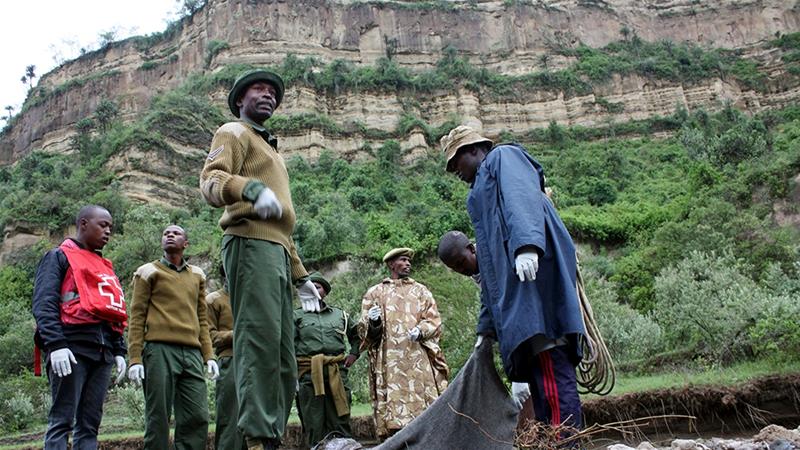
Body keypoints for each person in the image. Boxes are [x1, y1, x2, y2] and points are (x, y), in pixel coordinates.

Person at [199, 69, 321, 450]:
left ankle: (269, 435)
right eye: (259, 89)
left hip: (277, 252)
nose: (268, 95)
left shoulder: (273, 151)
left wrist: (301, 277)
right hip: (249, 244)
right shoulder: (233, 132)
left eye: (273, 91)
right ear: (240, 100)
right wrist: (250, 189)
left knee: (285, 355)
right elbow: (211, 181)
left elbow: (283, 225)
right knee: (260, 343)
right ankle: (256, 440)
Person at [440, 125, 586, 430]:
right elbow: (490, 275)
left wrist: (527, 245)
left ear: (474, 150)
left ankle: (566, 443)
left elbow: (522, 197)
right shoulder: (478, 196)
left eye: (456, 162)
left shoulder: (503, 157)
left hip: (537, 296)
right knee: (541, 384)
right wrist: (486, 329)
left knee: (553, 377)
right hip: (521, 305)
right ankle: (552, 443)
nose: (455, 170)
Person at [32, 205, 127, 450]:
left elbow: (111, 309)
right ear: (83, 224)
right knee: (61, 421)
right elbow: (44, 304)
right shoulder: (58, 257)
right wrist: (56, 345)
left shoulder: (104, 266)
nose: (108, 232)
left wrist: (119, 350)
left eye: (110, 228)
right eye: (102, 225)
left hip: (102, 352)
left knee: (90, 425)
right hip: (70, 349)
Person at [127, 225, 219, 450]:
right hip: (159, 350)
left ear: (185, 244)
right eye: (166, 233)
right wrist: (135, 358)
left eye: (176, 233)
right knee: (158, 416)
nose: (170, 235)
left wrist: (209, 356)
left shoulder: (197, 274)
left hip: (191, 352)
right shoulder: (147, 271)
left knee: (197, 415)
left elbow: (202, 317)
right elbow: (137, 316)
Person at [358, 248, 449, 440]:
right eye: (403, 260)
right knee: (394, 403)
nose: (408, 263)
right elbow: (364, 332)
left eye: (409, 260)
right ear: (391, 264)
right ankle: (395, 437)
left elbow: (434, 320)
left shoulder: (421, 291)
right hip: (389, 360)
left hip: (417, 357)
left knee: (422, 400)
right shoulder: (376, 292)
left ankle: (426, 437)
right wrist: (373, 324)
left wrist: (421, 330)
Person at [294, 272, 360, 449]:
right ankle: (317, 446)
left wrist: (354, 353)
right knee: (312, 416)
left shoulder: (340, 315)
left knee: (340, 412)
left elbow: (357, 335)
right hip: (308, 372)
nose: (314, 289)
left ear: (325, 292)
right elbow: (286, 345)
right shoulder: (296, 316)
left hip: (336, 371)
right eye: (311, 287)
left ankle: (345, 445)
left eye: (318, 286)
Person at [207, 265, 245, 450]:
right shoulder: (214, 300)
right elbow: (209, 336)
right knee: (230, 416)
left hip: (257, 363)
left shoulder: (251, 299)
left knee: (257, 415)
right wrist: (236, 334)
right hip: (229, 361)